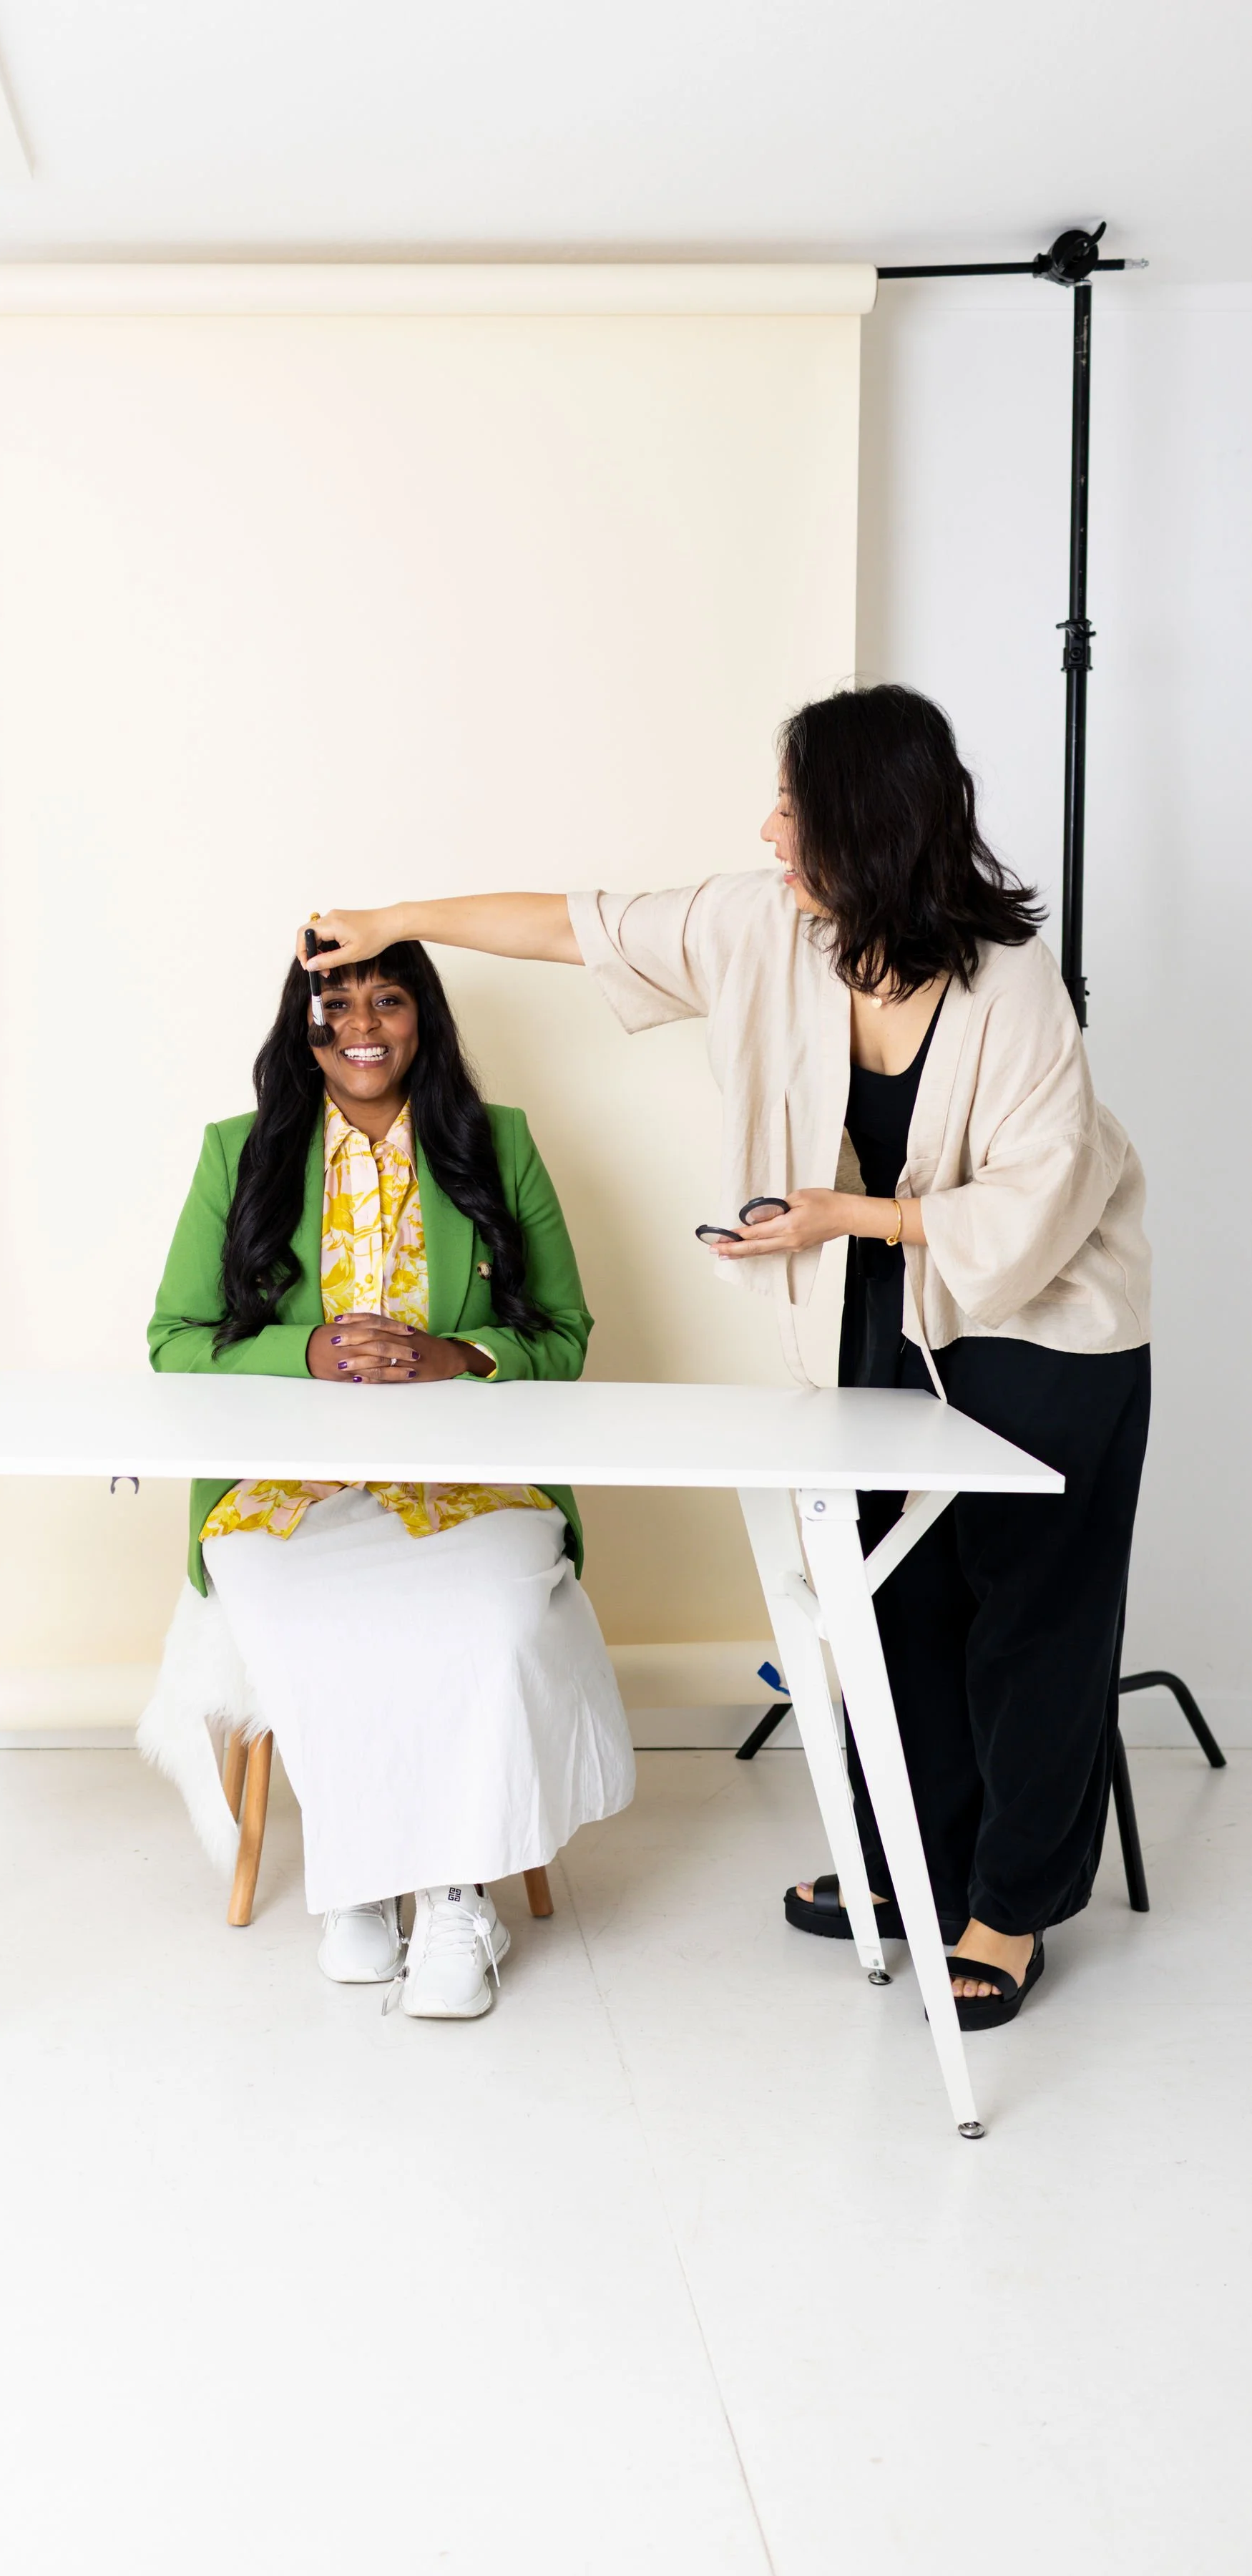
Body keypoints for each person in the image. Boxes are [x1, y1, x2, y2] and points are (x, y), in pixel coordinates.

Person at [300, 683, 1152, 2030]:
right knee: (895, 1598)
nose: (767, 831)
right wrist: (400, 920)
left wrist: (843, 1216)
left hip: (1046, 1324)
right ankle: (903, 1865)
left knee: (1031, 1621)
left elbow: (1039, 1208)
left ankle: (1009, 1910)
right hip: (883, 1313)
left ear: (868, 825)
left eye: (792, 807)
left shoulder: (1015, 988)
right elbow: (577, 925)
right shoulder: (765, 927)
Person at [142, 937, 634, 2019]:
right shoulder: (242, 1153)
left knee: (488, 1613)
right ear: (301, 1024)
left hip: (476, 1486)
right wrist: (305, 1348)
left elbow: (567, 1334)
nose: (362, 1026)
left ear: (424, 1018)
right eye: (336, 1004)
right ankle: (357, 1884)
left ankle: (456, 1893)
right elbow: (174, 1341)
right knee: (301, 1610)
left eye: (389, 1000)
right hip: (285, 1493)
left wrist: (461, 1354)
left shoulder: (494, 1145)